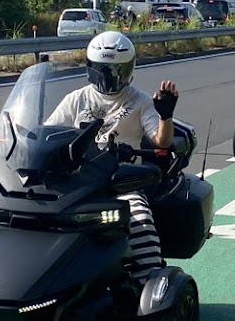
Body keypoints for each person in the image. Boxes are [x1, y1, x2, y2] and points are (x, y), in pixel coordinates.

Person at [46, 31, 179, 283]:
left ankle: (150, 281)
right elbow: (48, 134)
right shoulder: (76, 99)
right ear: (91, 69)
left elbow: (162, 142)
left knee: (139, 216)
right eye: (103, 70)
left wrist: (165, 116)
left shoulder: (140, 100)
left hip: (120, 181)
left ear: (129, 69)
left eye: (118, 70)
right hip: (77, 181)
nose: (110, 77)